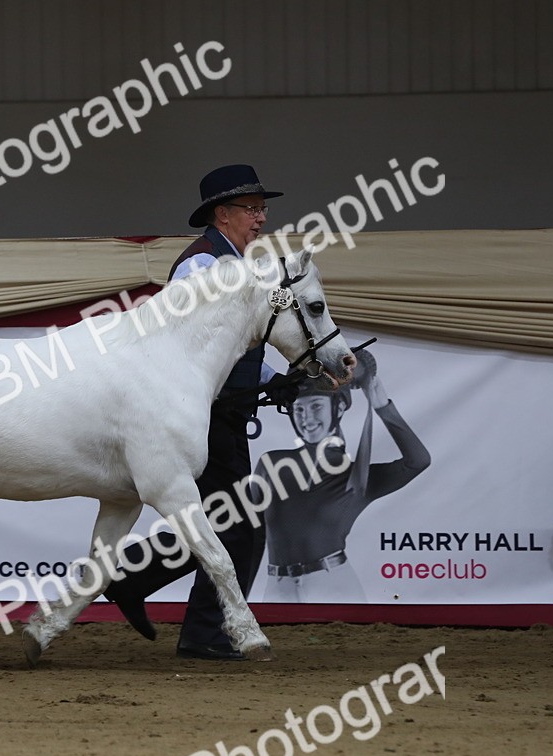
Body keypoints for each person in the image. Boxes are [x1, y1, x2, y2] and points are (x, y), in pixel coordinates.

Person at [102, 164, 293, 660]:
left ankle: (130, 582)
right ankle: (204, 632)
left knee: (223, 521)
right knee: (239, 526)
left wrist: (276, 380)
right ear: (221, 213)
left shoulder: (233, 263)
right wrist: (265, 381)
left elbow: (234, 346)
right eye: (252, 210)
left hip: (221, 414)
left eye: (262, 209)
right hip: (202, 418)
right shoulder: (201, 267)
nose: (261, 219)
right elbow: (195, 349)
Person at [260, 351, 431, 602]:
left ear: (339, 407)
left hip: (333, 584)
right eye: (299, 409)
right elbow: (249, 532)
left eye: (316, 406)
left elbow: (418, 461)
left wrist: (380, 403)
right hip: (277, 587)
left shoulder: (357, 476)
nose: (307, 418)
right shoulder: (271, 463)